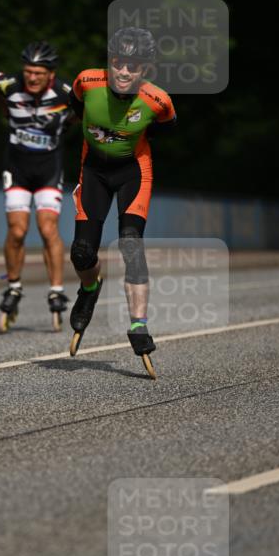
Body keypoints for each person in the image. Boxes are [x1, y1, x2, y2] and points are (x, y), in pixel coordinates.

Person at [67, 27, 177, 374]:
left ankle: (138, 324)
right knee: (82, 253)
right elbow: (75, 110)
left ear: (145, 69)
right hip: (94, 170)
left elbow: (165, 128)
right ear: (109, 62)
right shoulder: (86, 82)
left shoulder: (157, 100)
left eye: (134, 66)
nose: (124, 71)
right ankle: (90, 287)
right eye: (118, 63)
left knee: (131, 244)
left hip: (133, 170)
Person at [0, 41, 74, 332]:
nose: (32, 78)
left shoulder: (66, 94)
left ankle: (57, 289)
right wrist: (5, 110)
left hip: (49, 169)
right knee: (17, 230)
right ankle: (13, 286)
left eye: (38, 73)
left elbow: (85, 111)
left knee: (48, 228)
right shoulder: (11, 87)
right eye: (28, 72)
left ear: (51, 74)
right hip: (18, 168)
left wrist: (67, 124)